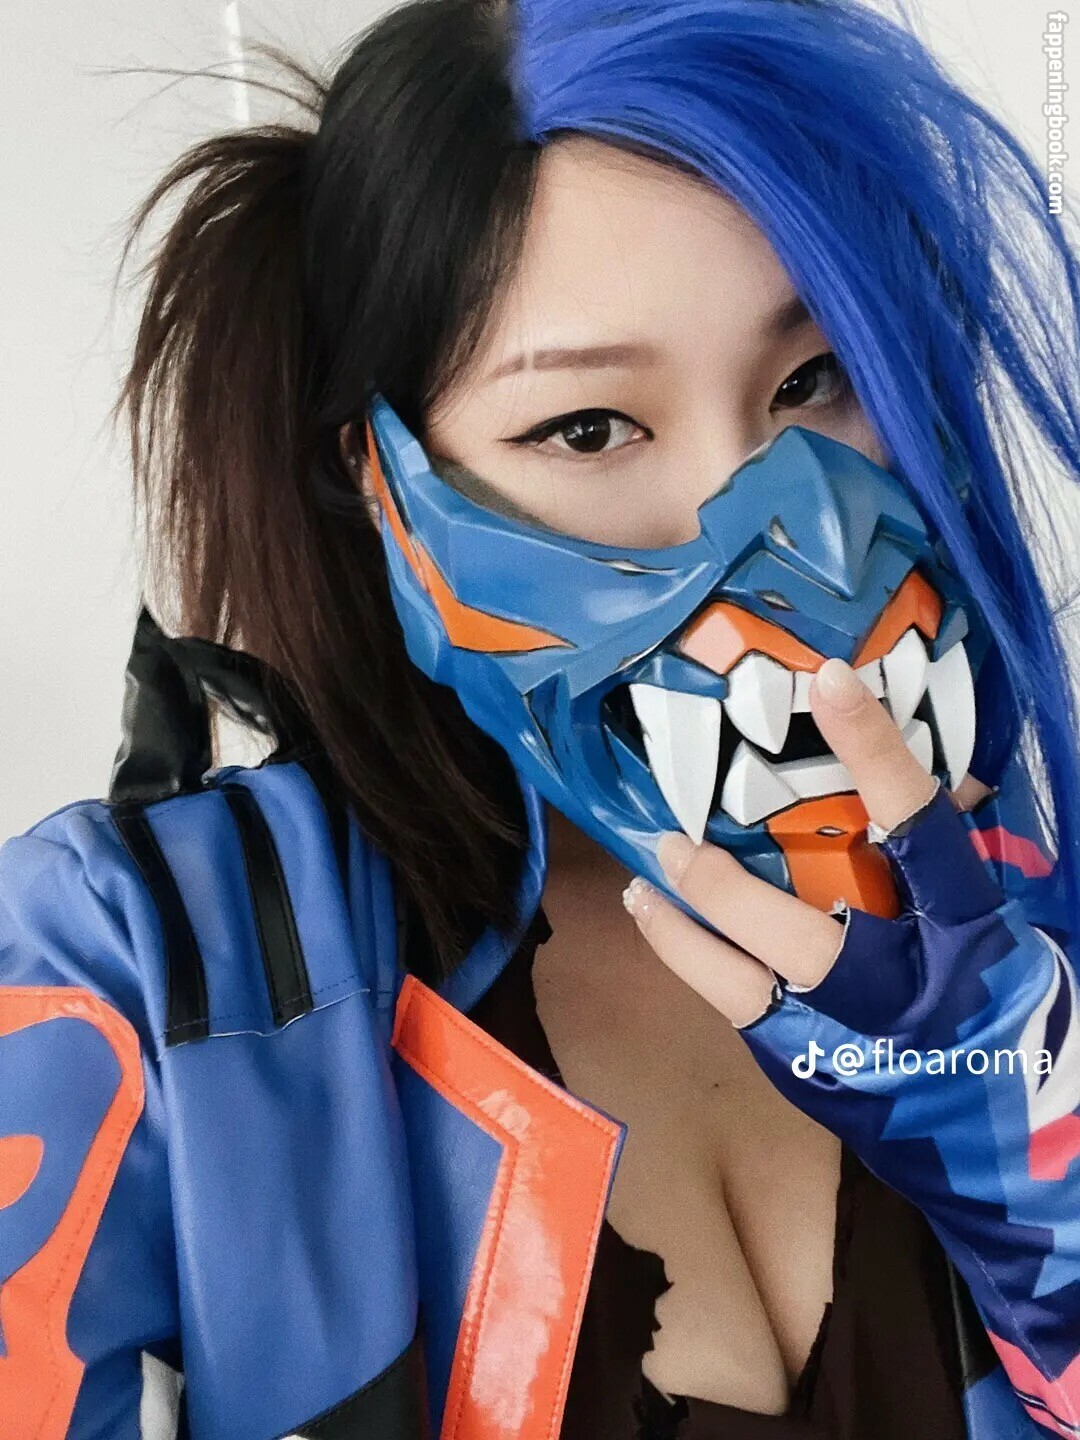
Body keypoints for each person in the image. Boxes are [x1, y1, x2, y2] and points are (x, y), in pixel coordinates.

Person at [3, 0, 1080, 1436]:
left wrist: (1033, 1165)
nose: (799, 540)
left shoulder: (1015, 929)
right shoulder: (133, 973)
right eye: (588, 428)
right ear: (386, 486)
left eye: (814, 380)